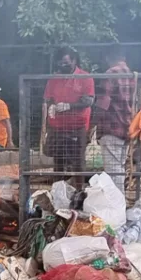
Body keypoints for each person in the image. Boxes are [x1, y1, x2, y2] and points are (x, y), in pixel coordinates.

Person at [43, 47, 95, 186]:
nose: (63, 66)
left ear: (74, 60)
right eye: (60, 63)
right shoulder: (54, 78)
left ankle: (79, 192)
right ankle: (58, 191)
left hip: (77, 126)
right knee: (58, 161)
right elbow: (48, 98)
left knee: (77, 161)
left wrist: (69, 106)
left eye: (66, 62)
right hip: (57, 127)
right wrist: (52, 106)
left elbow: (88, 100)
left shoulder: (84, 77)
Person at [93, 45, 136, 194]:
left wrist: (91, 126)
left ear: (108, 57)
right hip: (126, 128)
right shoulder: (130, 74)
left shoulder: (110, 73)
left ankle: (117, 207)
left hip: (111, 128)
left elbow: (103, 104)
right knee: (119, 169)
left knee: (113, 172)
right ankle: (119, 205)